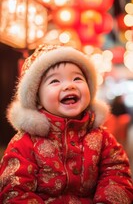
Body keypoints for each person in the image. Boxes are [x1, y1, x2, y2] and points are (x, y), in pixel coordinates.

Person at [0, 43, 133, 204]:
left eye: (77, 78)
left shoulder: (102, 137)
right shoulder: (24, 144)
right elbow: (14, 190)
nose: (69, 85)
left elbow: (116, 172)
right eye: (55, 81)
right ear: (37, 98)